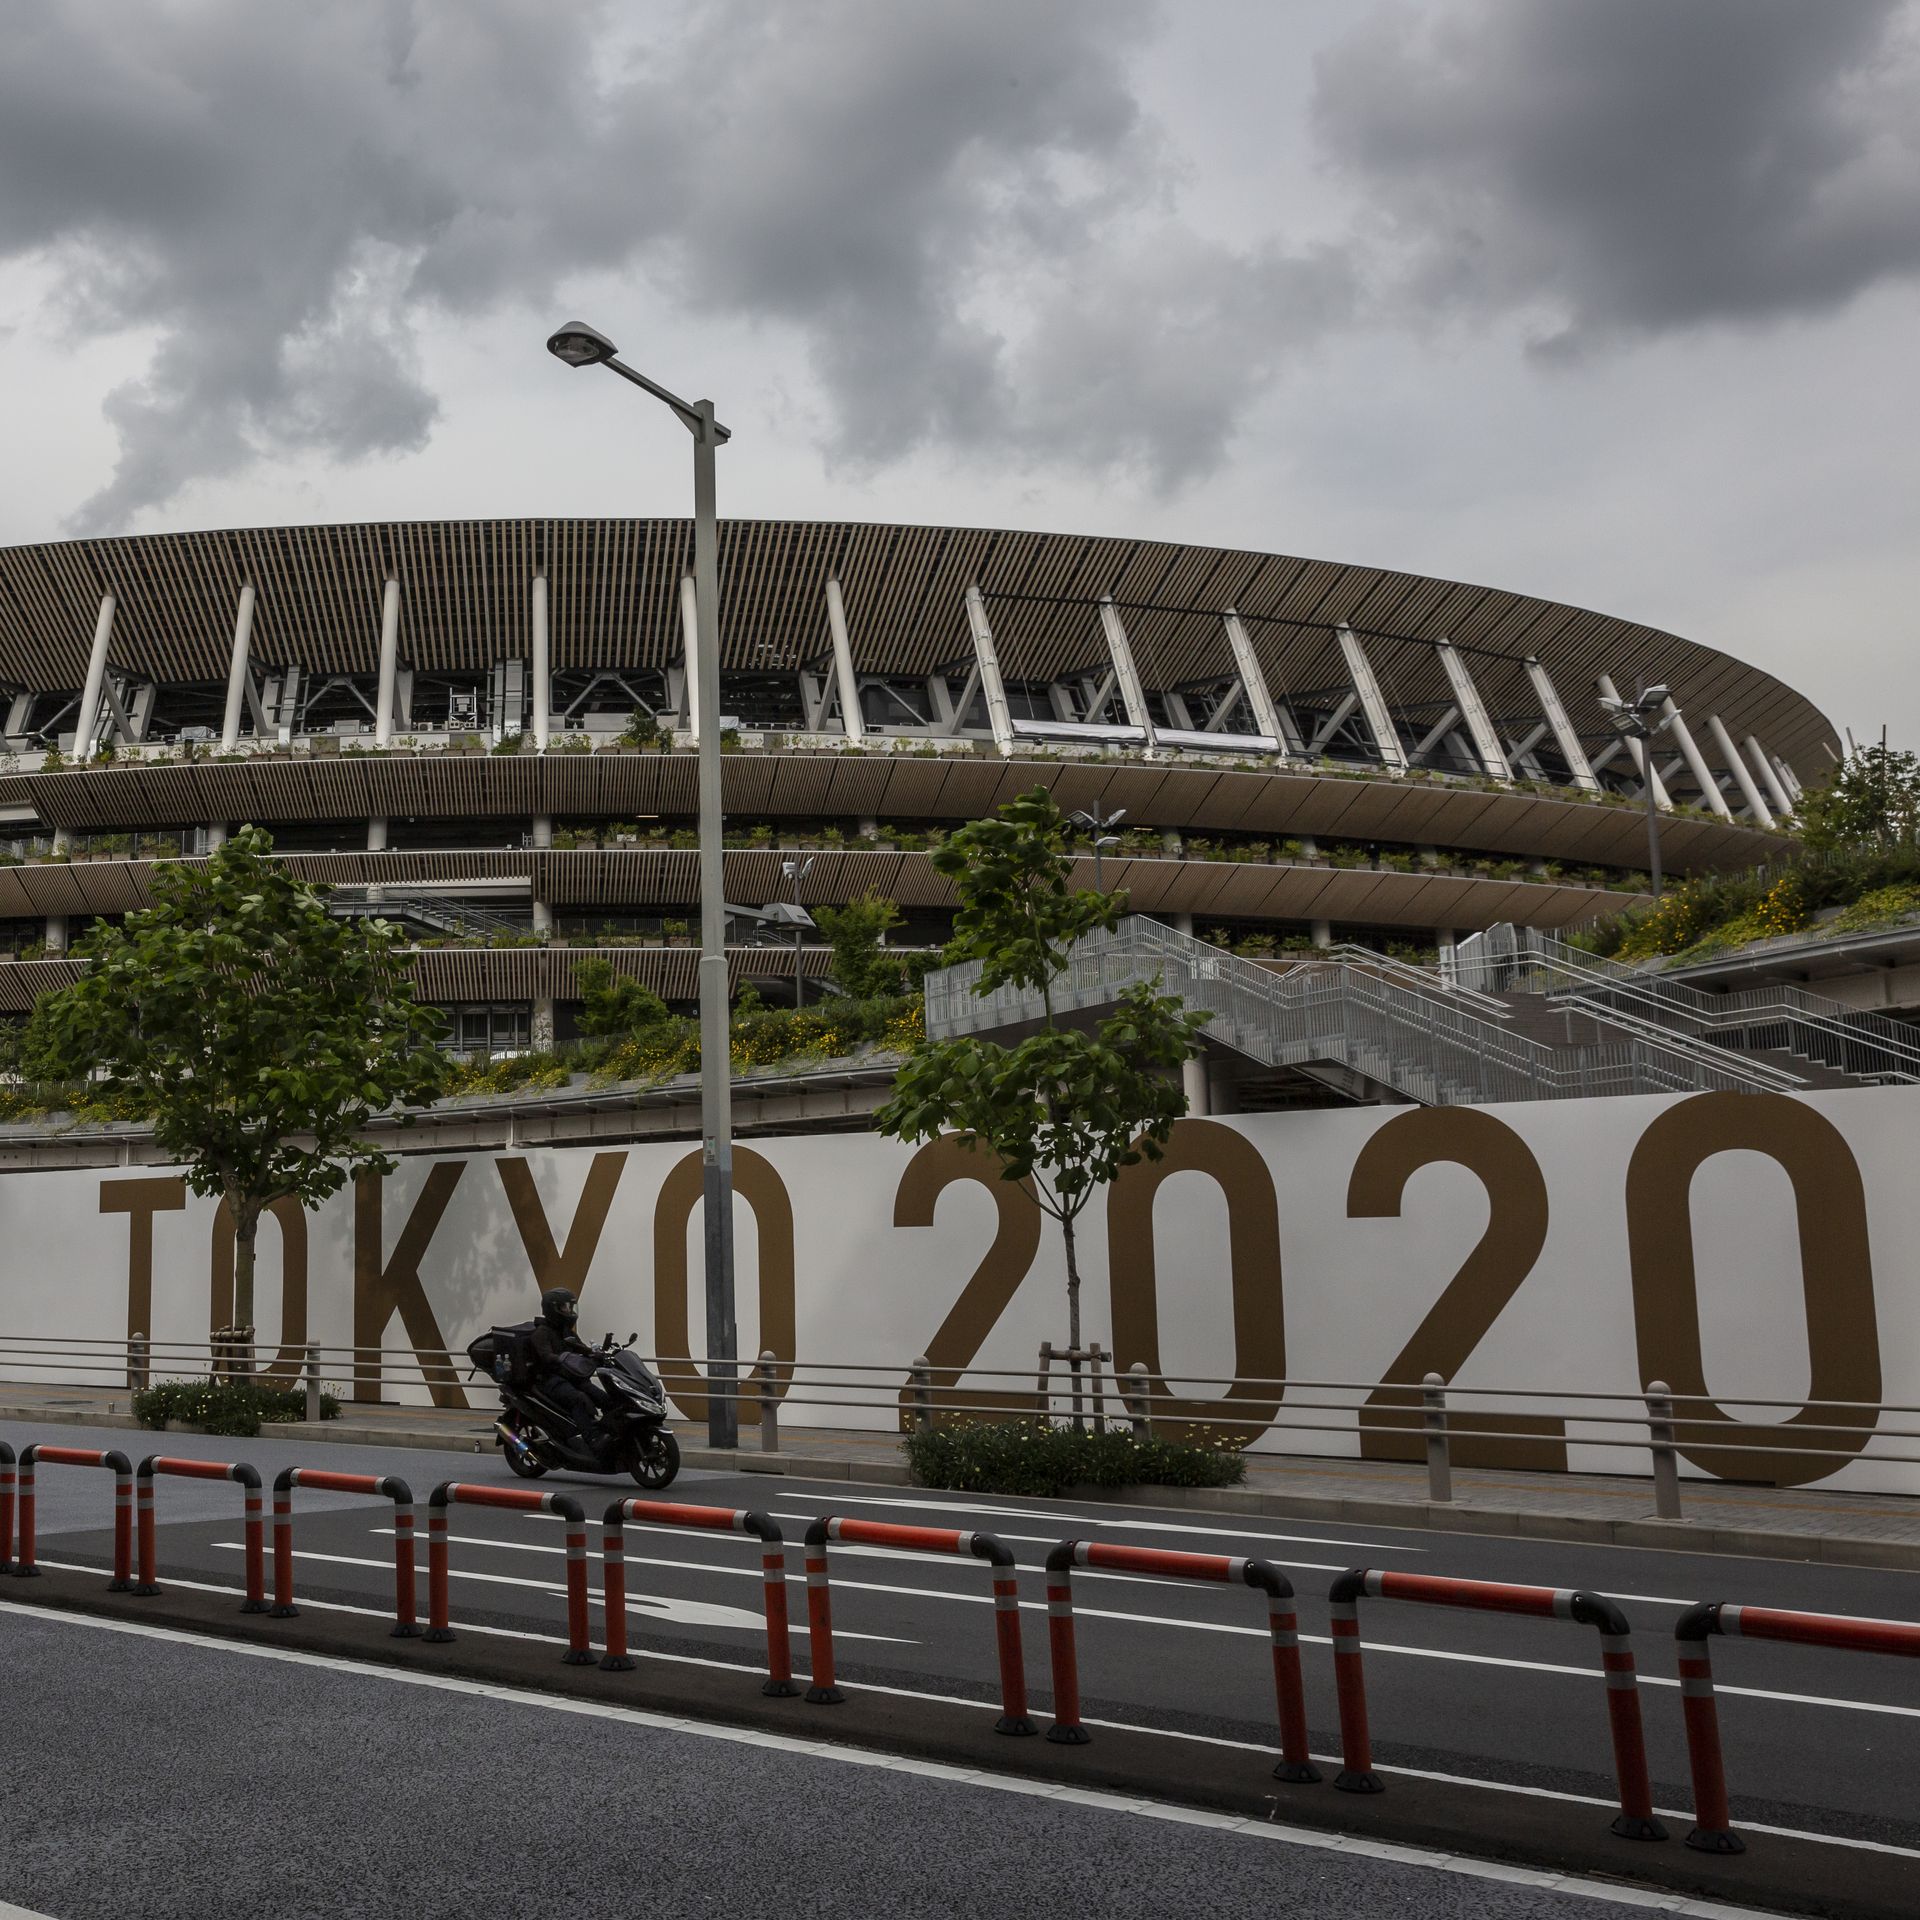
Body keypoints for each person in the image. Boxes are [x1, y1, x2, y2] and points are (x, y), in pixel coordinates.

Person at [527, 1286, 599, 1436]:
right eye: (564, 1307)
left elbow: (580, 1347)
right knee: (578, 1398)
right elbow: (546, 1356)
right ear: (553, 1309)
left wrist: (597, 1354)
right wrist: (562, 1357)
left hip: (569, 1377)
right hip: (550, 1380)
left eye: (570, 1307)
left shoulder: (565, 1330)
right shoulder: (542, 1332)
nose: (569, 1311)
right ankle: (591, 1437)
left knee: (601, 1396)